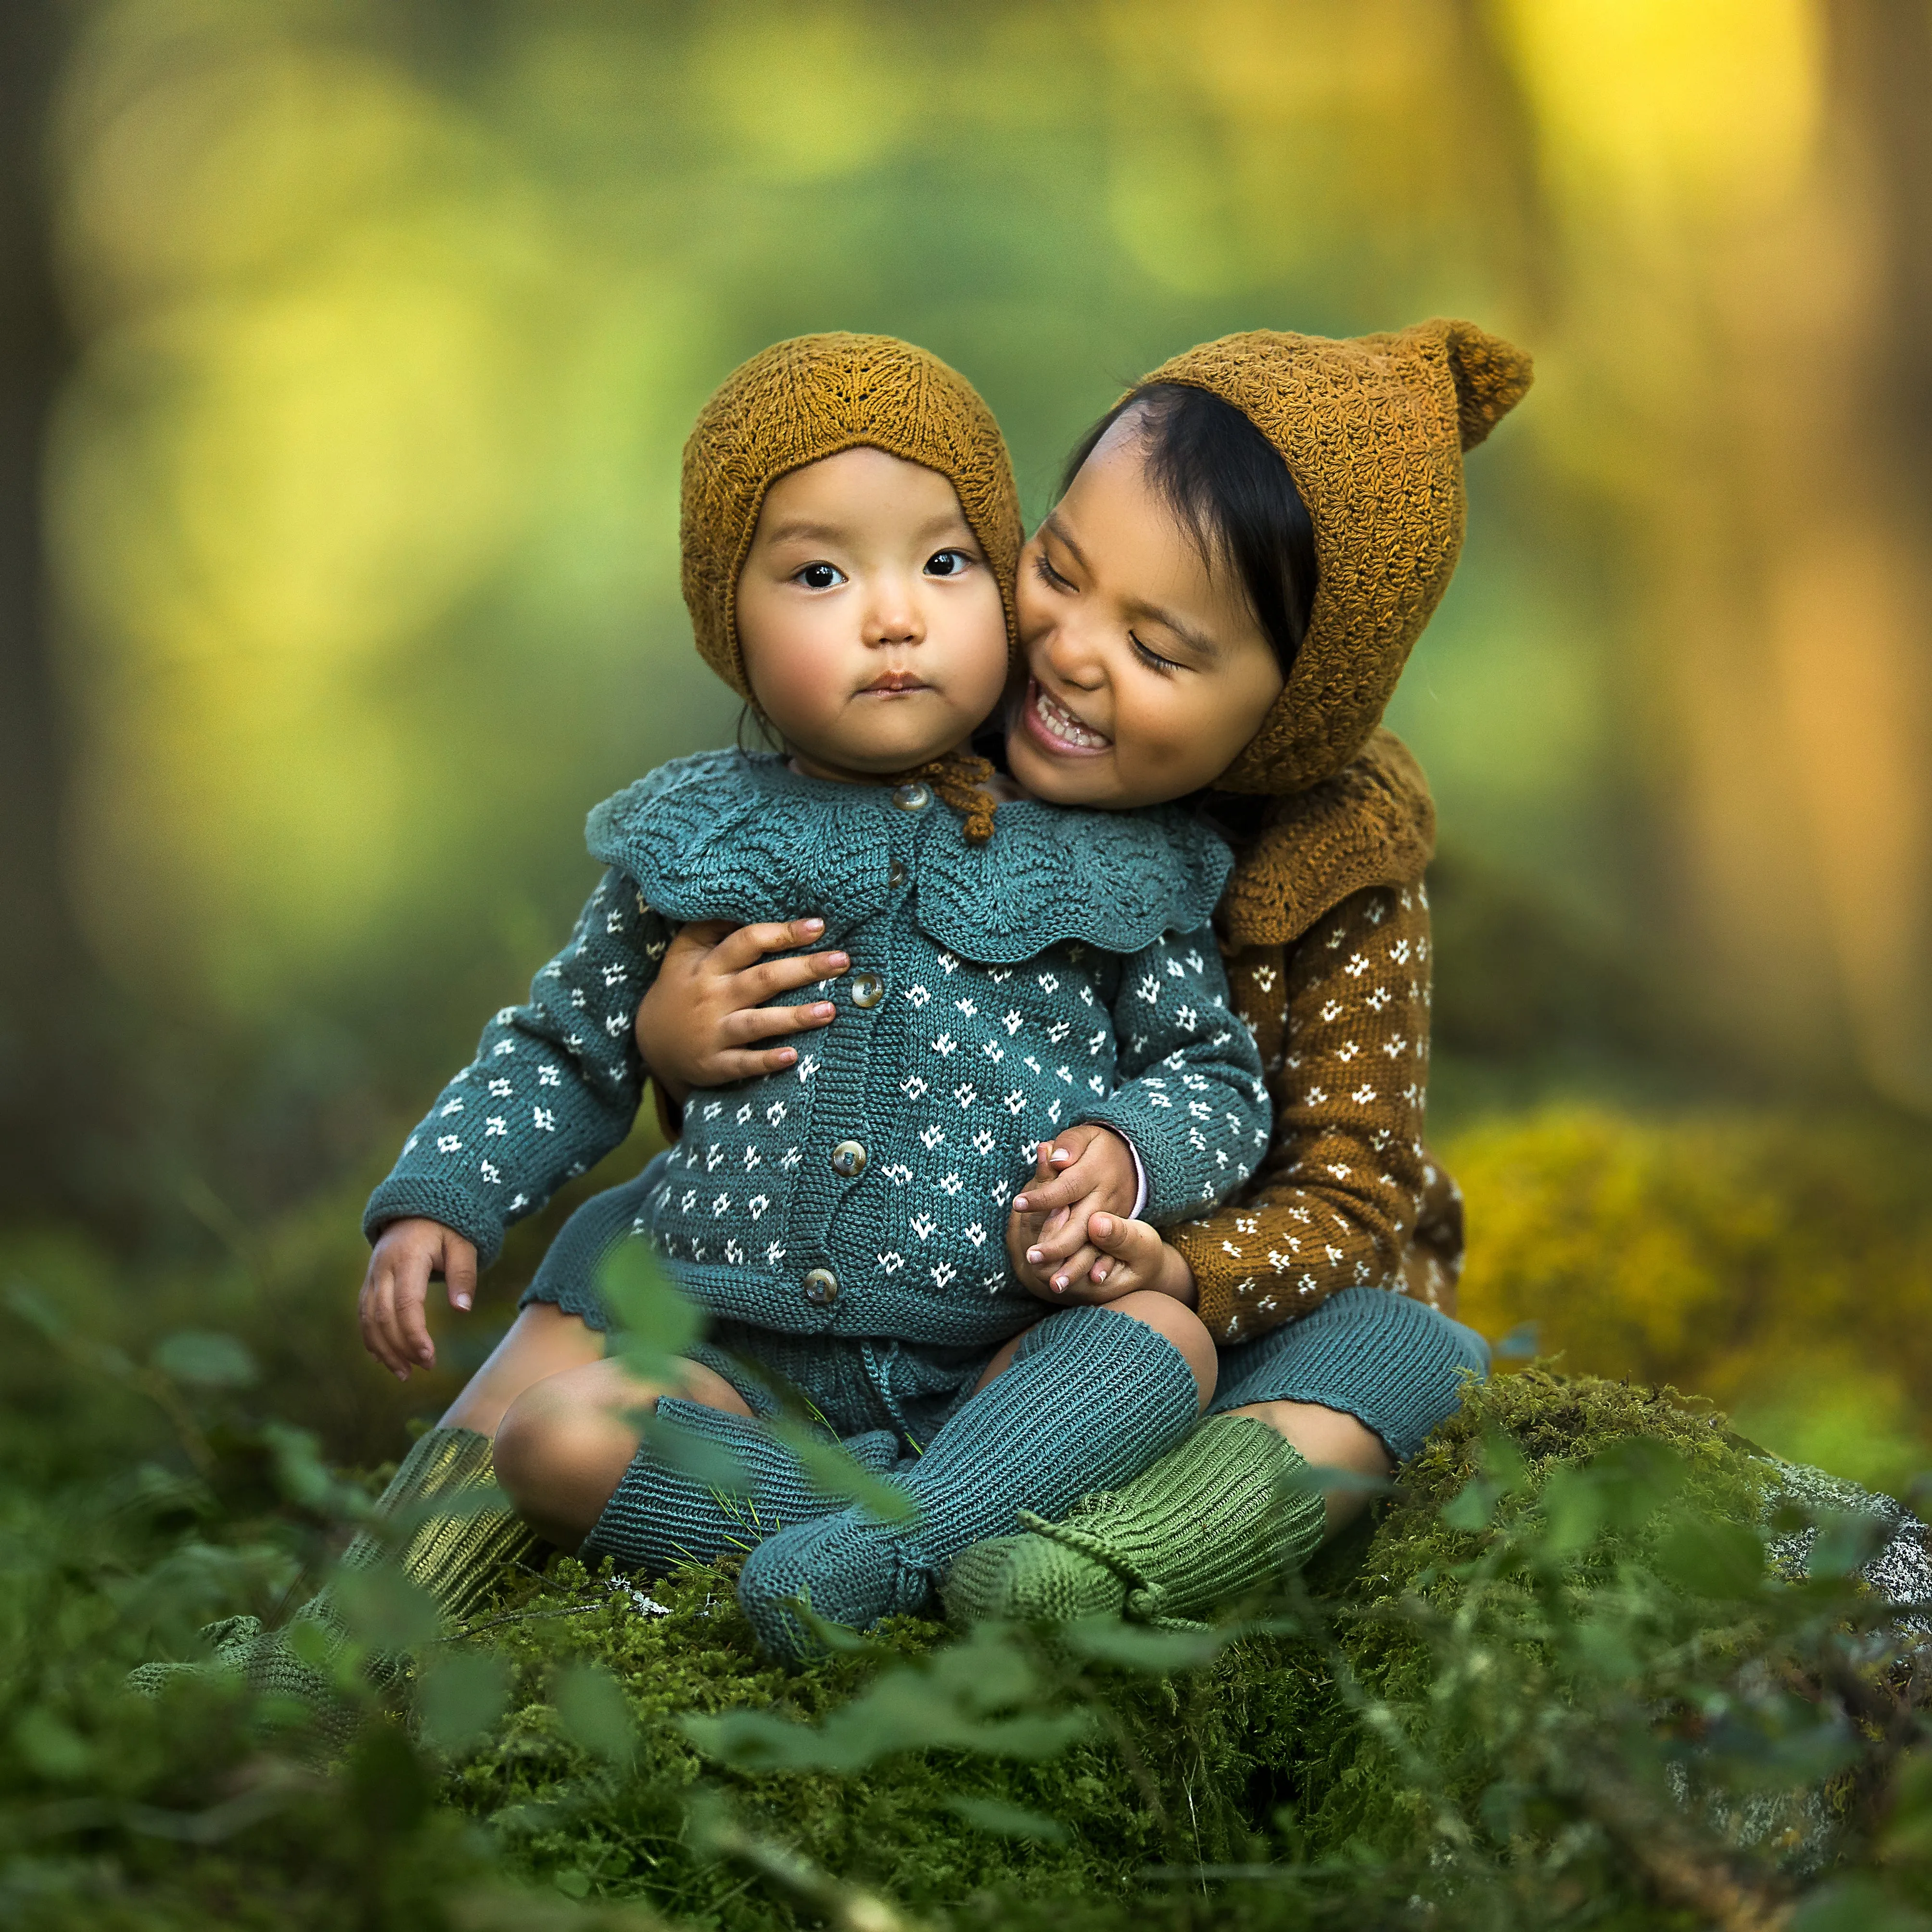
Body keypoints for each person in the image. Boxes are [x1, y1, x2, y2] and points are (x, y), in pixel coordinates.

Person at [345, 330, 1274, 1665]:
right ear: (729, 615)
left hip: (997, 1363)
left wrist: (1132, 1155)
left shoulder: (1108, 847)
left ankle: (887, 1540)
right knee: (553, 1439)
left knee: (1163, 1341)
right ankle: (324, 1668)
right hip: (737, 1362)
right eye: (821, 573)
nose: (893, 617)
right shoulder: (696, 842)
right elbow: (562, 1045)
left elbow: (1212, 1076)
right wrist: (442, 1198)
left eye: (944, 563)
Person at [636, 320, 1532, 1628]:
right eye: (1056, 569)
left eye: (1160, 651)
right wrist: (681, 1037)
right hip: (962, 1322)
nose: (1070, 650)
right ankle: (890, 1524)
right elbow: (808, 1070)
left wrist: (1184, 1273)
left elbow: (1353, 1190)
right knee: (626, 1279)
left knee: (1415, 1357)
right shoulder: (949, 747)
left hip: (1224, 1325)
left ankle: (1096, 1567)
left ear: (1299, 705)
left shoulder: (1343, 872)